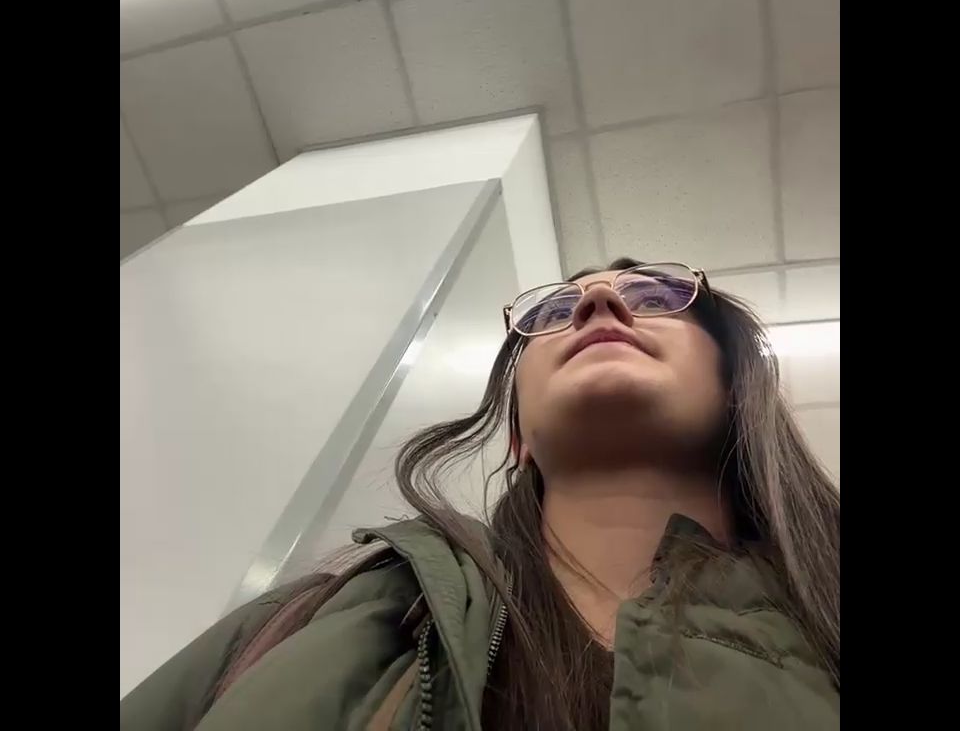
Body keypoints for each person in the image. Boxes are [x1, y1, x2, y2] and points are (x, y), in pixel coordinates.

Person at [120, 257, 840, 731]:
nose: (596, 302)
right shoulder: (305, 619)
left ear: (737, 390)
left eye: (656, 297)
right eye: (552, 312)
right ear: (518, 436)